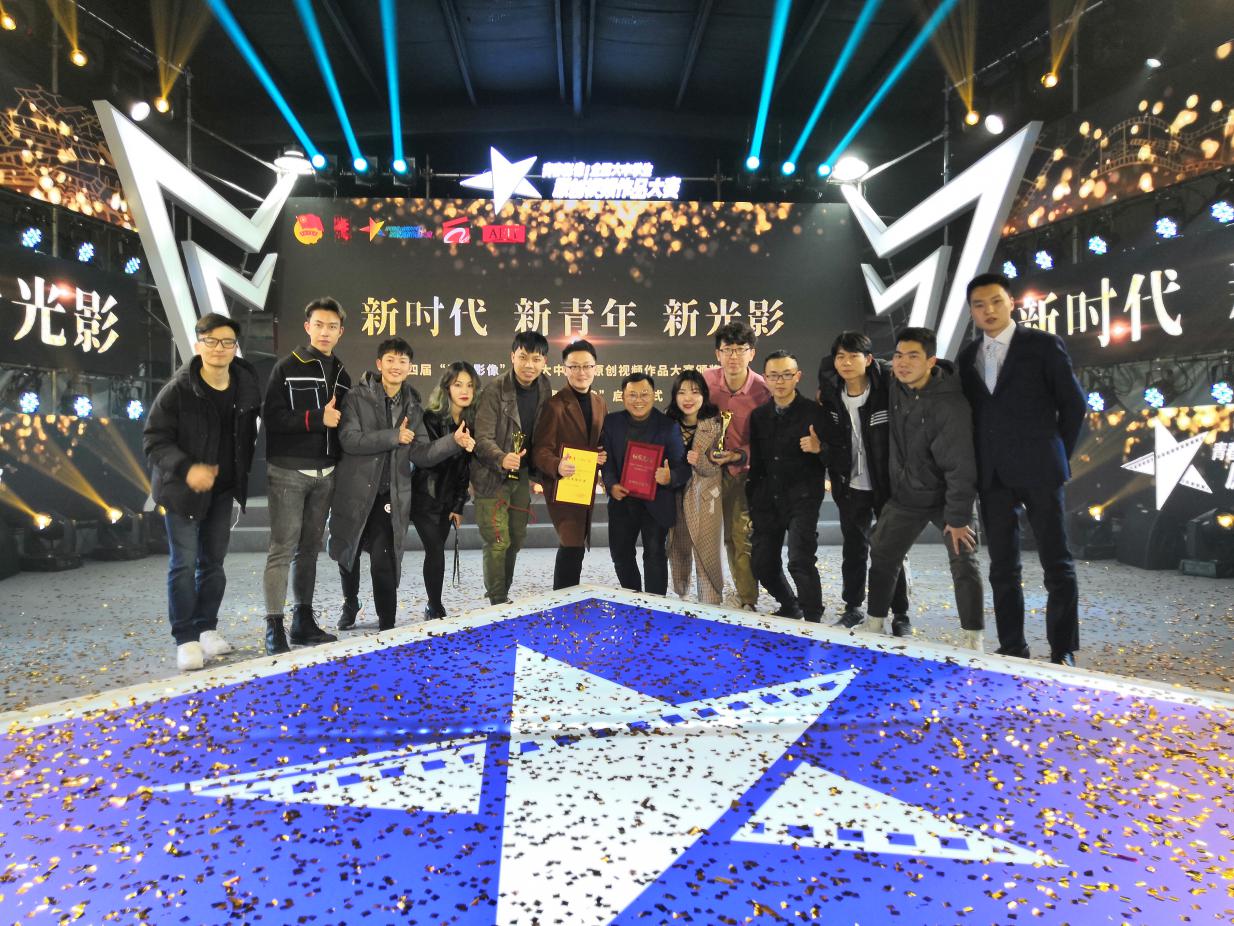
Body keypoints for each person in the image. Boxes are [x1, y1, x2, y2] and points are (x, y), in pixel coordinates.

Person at [958, 272, 1087, 666]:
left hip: (1041, 470)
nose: (988, 310)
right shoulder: (968, 356)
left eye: (996, 301)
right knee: (1002, 566)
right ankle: (1012, 646)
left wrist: (1055, 452)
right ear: (972, 311)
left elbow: (1074, 405)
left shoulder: (1043, 345)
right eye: (979, 305)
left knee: (1056, 562)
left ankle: (1063, 649)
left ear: (1011, 303)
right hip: (993, 476)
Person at [327, 338, 472, 630]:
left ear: (410, 367)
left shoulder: (412, 406)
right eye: (391, 360)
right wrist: (394, 436)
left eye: (403, 361)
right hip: (355, 490)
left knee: (384, 560)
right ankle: (350, 602)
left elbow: (421, 453)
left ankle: (387, 624)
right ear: (379, 364)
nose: (396, 366)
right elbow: (349, 440)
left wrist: (452, 442)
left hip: (389, 494)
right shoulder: (356, 397)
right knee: (348, 554)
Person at [144, 313, 260, 671]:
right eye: (211, 341)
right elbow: (154, 440)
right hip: (181, 491)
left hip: (222, 489)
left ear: (235, 347)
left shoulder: (245, 384)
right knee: (183, 564)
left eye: (227, 342)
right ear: (198, 345)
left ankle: (206, 628)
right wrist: (187, 468)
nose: (219, 348)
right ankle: (186, 638)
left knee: (213, 564)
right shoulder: (178, 390)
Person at [863, 327, 984, 647]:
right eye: (899, 355)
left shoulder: (951, 404)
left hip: (948, 498)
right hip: (907, 494)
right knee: (882, 552)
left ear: (931, 361)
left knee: (964, 559)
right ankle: (874, 622)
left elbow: (961, 467)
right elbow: (863, 364)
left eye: (913, 356)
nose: (903, 363)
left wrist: (958, 518)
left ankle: (974, 636)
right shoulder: (896, 384)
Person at [260, 296, 351, 655]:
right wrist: (316, 418)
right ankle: (274, 627)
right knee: (282, 549)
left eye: (332, 326)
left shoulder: (343, 374)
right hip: (288, 470)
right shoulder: (286, 367)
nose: (325, 332)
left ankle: (303, 621)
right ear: (307, 327)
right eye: (319, 325)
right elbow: (272, 418)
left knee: (309, 550)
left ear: (341, 332)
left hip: (326, 472)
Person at [817, 331, 910, 629]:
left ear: (868, 359)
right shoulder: (831, 394)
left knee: (889, 549)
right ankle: (853, 607)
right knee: (854, 549)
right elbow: (832, 440)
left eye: (853, 356)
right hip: (850, 485)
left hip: (886, 484)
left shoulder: (887, 389)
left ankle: (900, 613)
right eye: (840, 357)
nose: (846, 362)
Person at [746, 351, 829, 620]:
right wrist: (754, 503)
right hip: (767, 500)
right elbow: (757, 465)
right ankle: (790, 605)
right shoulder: (759, 416)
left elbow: (837, 456)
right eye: (773, 376)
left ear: (798, 376)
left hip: (803, 498)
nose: (779, 381)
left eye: (786, 375)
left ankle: (813, 619)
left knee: (800, 560)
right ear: (765, 378)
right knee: (762, 563)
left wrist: (819, 448)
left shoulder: (814, 413)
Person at [472, 331, 552, 605]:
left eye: (536, 359)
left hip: (521, 474)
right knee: (497, 540)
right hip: (491, 476)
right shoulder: (494, 391)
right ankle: (498, 599)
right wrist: (501, 457)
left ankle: (502, 591)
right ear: (512, 357)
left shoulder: (545, 387)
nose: (529, 365)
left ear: (544, 362)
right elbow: (482, 438)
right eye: (523, 357)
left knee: (516, 538)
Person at [703, 322, 771, 610]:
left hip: (743, 474)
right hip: (706, 473)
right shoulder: (704, 382)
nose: (733, 356)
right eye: (727, 349)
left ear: (751, 353)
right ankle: (707, 595)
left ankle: (747, 598)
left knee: (739, 537)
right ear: (717, 353)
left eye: (740, 349)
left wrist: (738, 455)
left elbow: (769, 439)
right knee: (702, 538)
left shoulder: (763, 390)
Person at [600, 373, 689, 594]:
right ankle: (633, 599)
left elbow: (682, 467)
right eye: (632, 395)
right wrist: (611, 485)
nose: (638, 400)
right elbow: (606, 461)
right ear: (622, 397)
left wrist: (670, 477)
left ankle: (654, 603)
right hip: (622, 500)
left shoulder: (668, 426)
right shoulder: (611, 423)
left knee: (655, 554)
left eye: (644, 394)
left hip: (656, 502)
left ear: (654, 395)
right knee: (620, 555)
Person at [532, 340, 608, 589]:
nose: (581, 372)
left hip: (585, 486)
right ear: (564, 369)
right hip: (562, 486)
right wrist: (557, 465)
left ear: (595, 368)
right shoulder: (554, 405)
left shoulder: (599, 402)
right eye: (574, 366)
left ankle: (567, 597)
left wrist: (601, 456)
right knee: (572, 543)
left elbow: (599, 443)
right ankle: (563, 597)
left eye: (587, 366)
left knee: (576, 545)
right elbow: (540, 450)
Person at [407, 362, 479, 620]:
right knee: (435, 549)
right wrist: (454, 443)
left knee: (436, 551)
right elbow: (427, 458)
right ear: (447, 388)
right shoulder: (430, 418)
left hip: (448, 500)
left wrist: (458, 505)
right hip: (424, 497)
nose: (464, 390)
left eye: (469, 385)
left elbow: (464, 470)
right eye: (458, 384)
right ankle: (435, 605)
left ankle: (433, 603)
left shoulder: (471, 422)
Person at [665, 370, 725, 604]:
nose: (688, 398)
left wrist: (700, 461)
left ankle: (711, 601)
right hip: (675, 495)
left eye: (695, 392)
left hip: (706, 497)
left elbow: (717, 467)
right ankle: (681, 593)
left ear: (704, 395)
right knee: (678, 547)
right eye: (682, 392)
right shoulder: (667, 423)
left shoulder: (716, 424)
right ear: (674, 396)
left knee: (706, 551)